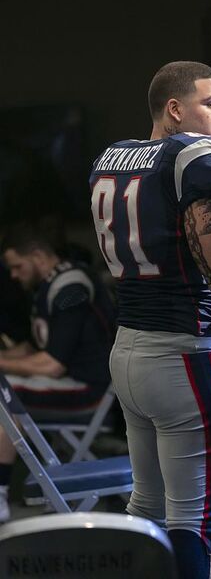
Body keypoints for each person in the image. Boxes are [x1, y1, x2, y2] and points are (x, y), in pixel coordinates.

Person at [89, 61, 211, 579]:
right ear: (174, 109)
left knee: (147, 506)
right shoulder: (197, 157)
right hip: (184, 355)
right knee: (194, 516)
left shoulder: (113, 158)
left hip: (128, 352)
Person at [0, 223, 116, 523]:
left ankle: (0, 492)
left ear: (38, 256)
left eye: (17, 266)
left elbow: (52, 364)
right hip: (70, 383)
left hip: (89, 392)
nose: (14, 275)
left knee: (6, 395)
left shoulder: (71, 287)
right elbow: (33, 347)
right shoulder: (48, 284)